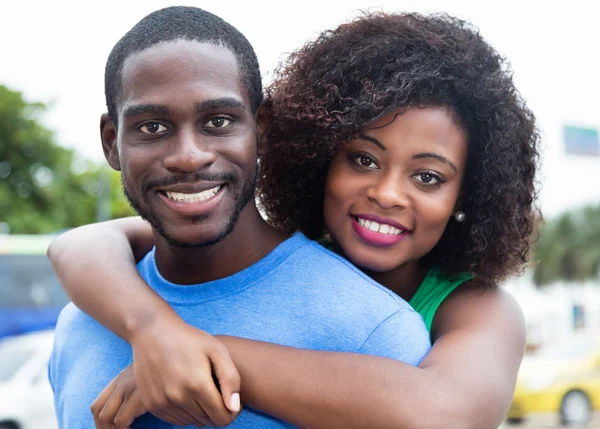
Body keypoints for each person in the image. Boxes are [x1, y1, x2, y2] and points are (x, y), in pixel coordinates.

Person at [49, 10, 539, 429]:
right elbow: (82, 245)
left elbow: (439, 414)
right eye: (363, 160)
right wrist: (154, 330)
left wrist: (196, 353)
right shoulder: (280, 255)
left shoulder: (466, 311)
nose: (387, 194)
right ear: (319, 158)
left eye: (428, 177)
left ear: (468, 194)